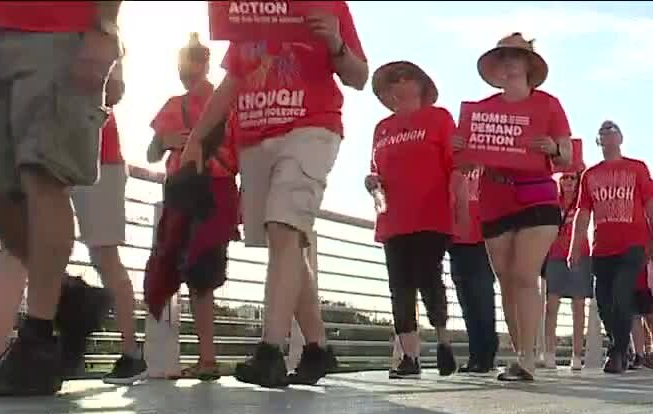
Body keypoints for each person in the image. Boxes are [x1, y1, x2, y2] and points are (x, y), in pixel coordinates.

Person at [182, 1, 368, 387]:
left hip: (311, 128)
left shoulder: (329, 6)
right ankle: (318, 349)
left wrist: (335, 42)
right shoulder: (247, 10)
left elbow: (359, 76)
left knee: (284, 228)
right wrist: (197, 139)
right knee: (284, 240)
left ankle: (270, 352)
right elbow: (231, 82)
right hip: (254, 137)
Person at [0, 0, 124, 396]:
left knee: (44, 174)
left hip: (61, 27)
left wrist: (105, 29)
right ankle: (68, 296)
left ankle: (38, 341)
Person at [455, 33, 572, 382]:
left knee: (524, 275)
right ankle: (519, 354)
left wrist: (552, 146)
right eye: (503, 57)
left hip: (537, 196)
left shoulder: (549, 104)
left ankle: (527, 357)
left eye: (515, 57)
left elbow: (566, 154)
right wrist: (460, 147)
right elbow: (464, 164)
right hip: (495, 198)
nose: (509, 63)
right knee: (506, 280)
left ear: (528, 65)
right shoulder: (482, 110)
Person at [143, 33, 240, 381]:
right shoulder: (173, 104)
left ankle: (207, 358)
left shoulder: (228, 101)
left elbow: (243, 151)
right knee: (167, 268)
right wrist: (165, 141)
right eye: (182, 64)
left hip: (215, 189)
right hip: (182, 192)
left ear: (205, 63)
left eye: (192, 62)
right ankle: (170, 357)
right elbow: (152, 153)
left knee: (202, 271)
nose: (186, 70)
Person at [366, 60, 462, 379]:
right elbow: (377, 168)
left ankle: (444, 342)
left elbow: (455, 166)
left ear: (420, 85)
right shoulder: (381, 127)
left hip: (431, 215)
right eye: (392, 80)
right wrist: (371, 181)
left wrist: (457, 209)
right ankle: (409, 355)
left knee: (429, 278)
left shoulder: (439, 118)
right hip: (393, 218)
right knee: (400, 287)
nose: (398, 83)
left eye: (405, 77)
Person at [573, 120, 653, 374]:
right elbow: (583, 212)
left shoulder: (636, 168)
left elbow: (652, 206)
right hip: (602, 247)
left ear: (621, 138)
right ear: (598, 141)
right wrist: (574, 246)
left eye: (612, 131)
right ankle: (619, 344)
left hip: (632, 245)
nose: (607, 134)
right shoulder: (589, 175)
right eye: (602, 132)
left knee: (622, 296)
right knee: (603, 301)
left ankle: (618, 352)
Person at [449, 167, 499, 374]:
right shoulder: (452, 159)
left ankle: (487, 353)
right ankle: (475, 354)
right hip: (457, 237)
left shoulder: (486, 160)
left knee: (483, 295)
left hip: (483, 237)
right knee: (466, 300)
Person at [543, 171, 592, 370]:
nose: (569, 182)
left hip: (580, 254)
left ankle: (577, 355)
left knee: (578, 306)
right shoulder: (554, 201)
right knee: (551, 305)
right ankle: (549, 353)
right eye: (565, 178)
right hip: (555, 255)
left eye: (573, 178)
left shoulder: (583, 200)